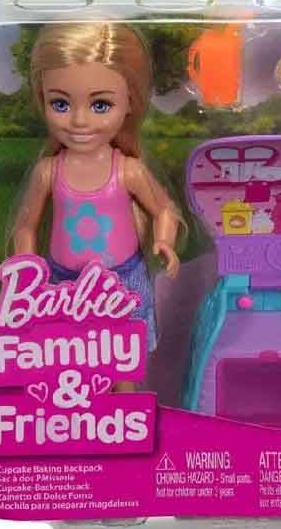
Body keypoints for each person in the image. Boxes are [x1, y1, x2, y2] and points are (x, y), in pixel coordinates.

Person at [11, 22, 182, 352]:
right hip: (64, 284)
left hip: (123, 280)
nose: (79, 121)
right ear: (42, 99)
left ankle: (128, 389)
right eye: (60, 104)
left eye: (100, 105)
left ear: (130, 102)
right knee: (72, 354)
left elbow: (163, 209)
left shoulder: (128, 171)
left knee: (126, 355)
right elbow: (25, 227)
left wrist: (164, 241)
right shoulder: (48, 172)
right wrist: (27, 273)